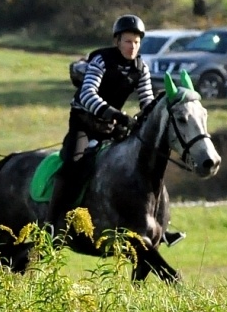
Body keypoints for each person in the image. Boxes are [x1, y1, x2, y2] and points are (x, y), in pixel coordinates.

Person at [48, 13, 155, 235]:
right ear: (117, 41)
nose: (132, 47)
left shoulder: (141, 68)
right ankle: (52, 222)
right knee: (73, 162)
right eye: (128, 41)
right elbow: (87, 94)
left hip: (111, 127)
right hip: (84, 123)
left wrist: (150, 115)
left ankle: (152, 222)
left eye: (136, 42)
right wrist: (116, 114)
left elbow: (147, 101)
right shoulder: (101, 60)